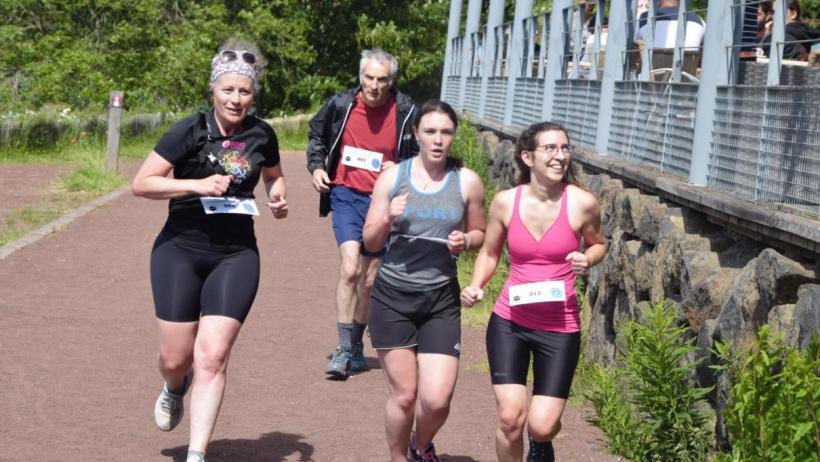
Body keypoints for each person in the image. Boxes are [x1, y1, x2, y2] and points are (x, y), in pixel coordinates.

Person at [132, 40, 288, 462]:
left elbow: (273, 175)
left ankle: (197, 454)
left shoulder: (262, 134)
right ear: (212, 91)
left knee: (213, 356)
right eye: (228, 91)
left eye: (244, 92)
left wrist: (277, 196)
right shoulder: (189, 129)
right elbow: (142, 183)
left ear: (253, 94)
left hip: (236, 254)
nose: (236, 99)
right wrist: (196, 185)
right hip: (180, 249)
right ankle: (173, 386)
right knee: (175, 357)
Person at [461, 122, 606, 462]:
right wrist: (475, 285)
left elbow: (599, 244)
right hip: (510, 321)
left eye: (565, 148)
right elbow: (490, 252)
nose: (561, 156)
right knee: (511, 418)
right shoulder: (505, 203)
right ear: (528, 156)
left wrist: (587, 258)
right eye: (551, 149)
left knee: (541, 426)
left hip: (560, 327)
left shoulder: (583, 203)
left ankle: (541, 444)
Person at [362, 100, 486, 462]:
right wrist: (387, 216)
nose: (438, 140)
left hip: (439, 301)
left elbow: (480, 232)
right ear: (415, 134)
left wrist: (466, 241)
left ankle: (421, 444)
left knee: (436, 399)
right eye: (430, 131)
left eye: (446, 132)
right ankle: (399, 457)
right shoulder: (393, 177)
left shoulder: (467, 181)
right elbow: (370, 241)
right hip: (392, 298)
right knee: (404, 394)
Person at [306, 48, 418, 380]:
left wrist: (400, 170)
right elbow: (316, 135)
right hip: (345, 194)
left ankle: (356, 343)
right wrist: (315, 167)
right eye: (369, 77)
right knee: (351, 268)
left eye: (382, 79)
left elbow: (423, 158)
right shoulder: (341, 105)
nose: (374, 85)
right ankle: (341, 348)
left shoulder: (408, 111)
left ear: (391, 81)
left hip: (383, 202)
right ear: (360, 77)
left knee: (370, 280)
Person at [634, 0, 705, 50]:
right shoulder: (699, 21)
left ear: (658, 2)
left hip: (651, 70)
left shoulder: (643, 19)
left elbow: (633, 43)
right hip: (686, 70)